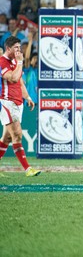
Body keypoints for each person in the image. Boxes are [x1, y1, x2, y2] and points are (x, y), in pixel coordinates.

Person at [0, 36, 40, 177]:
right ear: (8, 48)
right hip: (7, 102)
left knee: (7, 138)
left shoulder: (15, 61)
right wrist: (20, 62)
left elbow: (20, 82)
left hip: (18, 102)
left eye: (19, 47)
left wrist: (28, 97)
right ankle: (28, 169)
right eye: (16, 48)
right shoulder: (2, 62)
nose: (19, 50)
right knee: (17, 134)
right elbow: (13, 78)